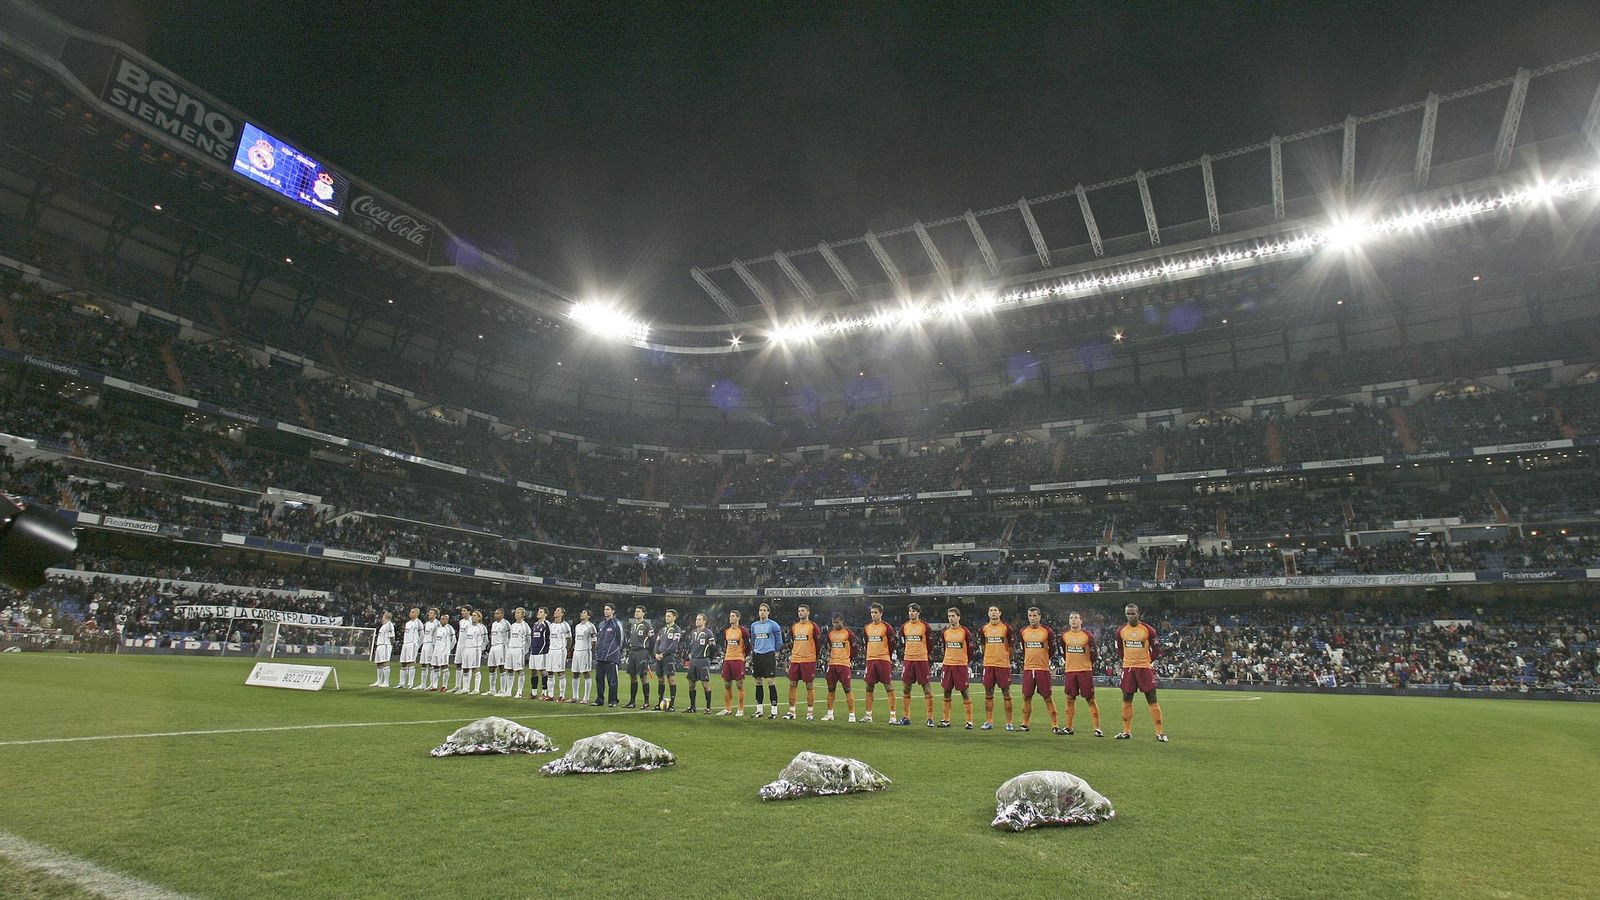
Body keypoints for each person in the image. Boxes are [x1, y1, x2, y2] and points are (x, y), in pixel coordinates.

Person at [1113, 603, 1167, 741]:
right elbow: (1120, 649)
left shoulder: (1148, 630)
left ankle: (1159, 732)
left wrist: (1148, 661)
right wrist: (1127, 661)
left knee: (1152, 698)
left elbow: (1156, 649)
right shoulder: (1121, 631)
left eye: (1132, 613)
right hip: (1129, 668)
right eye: (1128, 614)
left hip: (1144, 668)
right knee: (1126, 698)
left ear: (1138, 613)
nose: (1130, 616)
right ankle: (1126, 731)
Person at [1061, 611, 1103, 737]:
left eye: (1076, 618)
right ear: (1069, 621)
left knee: (1090, 699)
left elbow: (1094, 654)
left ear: (1081, 621)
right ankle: (1068, 727)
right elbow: (1063, 651)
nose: (1073, 620)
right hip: (1070, 671)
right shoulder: (1064, 636)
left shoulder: (1087, 635)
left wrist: (1086, 665)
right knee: (1069, 699)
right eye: (1071, 618)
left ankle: (1097, 728)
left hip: (1084, 671)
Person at [1019, 607, 1060, 733]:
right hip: (1028, 669)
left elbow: (1052, 650)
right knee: (1026, 697)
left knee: (1047, 697)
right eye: (1030, 616)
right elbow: (1023, 649)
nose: (1032, 618)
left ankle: (1055, 725)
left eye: (1034, 615)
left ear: (1040, 616)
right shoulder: (1023, 631)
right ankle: (1025, 724)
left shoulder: (1047, 631)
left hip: (1042, 669)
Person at [897, 603, 936, 727]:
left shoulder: (925, 626)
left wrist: (923, 653)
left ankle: (930, 718)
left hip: (921, 660)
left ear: (919, 613)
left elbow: (931, 643)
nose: (911, 613)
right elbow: (903, 641)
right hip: (908, 660)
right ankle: (906, 717)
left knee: (927, 689)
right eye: (909, 611)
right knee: (906, 688)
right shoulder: (904, 627)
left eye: (914, 611)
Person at [784, 604, 824, 720]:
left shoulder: (813, 626)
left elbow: (818, 643)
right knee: (792, 684)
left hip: (808, 659)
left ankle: (810, 713)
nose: (800, 613)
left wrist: (814, 656)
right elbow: (792, 640)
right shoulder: (794, 627)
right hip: (796, 659)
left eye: (802, 611)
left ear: (808, 612)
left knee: (809, 685)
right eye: (799, 611)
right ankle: (792, 712)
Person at [980, 605, 1016, 731]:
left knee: (1006, 692)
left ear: (1000, 613)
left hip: (1002, 665)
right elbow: (983, 645)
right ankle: (989, 721)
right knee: (988, 692)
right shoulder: (984, 629)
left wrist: (1006, 659)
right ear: (988, 613)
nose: (993, 612)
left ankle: (1009, 722)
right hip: (989, 664)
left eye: (995, 610)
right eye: (991, 610)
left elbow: (1011, 647)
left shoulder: (1007, 628)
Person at [861, 603, 897, 724]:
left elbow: (892, 644)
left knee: (888, 686)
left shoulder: (887, 627)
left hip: (883, 659)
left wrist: (887, 655)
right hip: (871, 660)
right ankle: (868, 715)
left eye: (875, 612)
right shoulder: (867, 628)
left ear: (881, 613)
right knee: (869, 686)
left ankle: (893, 716)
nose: (873, 615)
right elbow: (866, 642)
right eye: (871, 612)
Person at [939, 606, 974, 729]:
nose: (951, 618)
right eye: (949, 616)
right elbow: (945, 648)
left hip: (960, 665)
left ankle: (969, 721)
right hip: (948, 664)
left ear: (958, 617)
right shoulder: (945, 632)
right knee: (946, 692)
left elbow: (971, 649)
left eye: (953, 616)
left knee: (964, 692)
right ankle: (946, 720)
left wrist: (965, 661)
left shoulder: (965, 631)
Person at [748, 603, 784, 719]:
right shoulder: (754, 625)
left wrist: (775, 651)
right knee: (758, 682)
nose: (762, 612)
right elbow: (753, 640)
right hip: (757, 655)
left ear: (768, 612)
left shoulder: (773, 625)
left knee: (770, 681)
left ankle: (774, 711)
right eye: (760, 610)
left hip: (768, 655)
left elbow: (779, 641)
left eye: (764, 610)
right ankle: (759, 710)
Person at [822, 611, 857, 722]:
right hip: (832, 664)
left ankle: (852, 715)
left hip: (844, 664)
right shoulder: (830, 634)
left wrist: (849, 659)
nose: (834, 625)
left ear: (842, 621)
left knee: (847, 689)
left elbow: (855, 647)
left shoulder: (848, 633)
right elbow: (828, 646)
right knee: (831, 689)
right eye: (833, 623)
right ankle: (830, 714)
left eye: (836, 622)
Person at [717, 609, 751, 717]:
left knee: (739, 684)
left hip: (738, 659)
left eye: (733, 616)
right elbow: (726, 644)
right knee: (727, 684)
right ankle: (728, 708)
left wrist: (743, 656)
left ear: (738, 618)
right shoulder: (727, 631)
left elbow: (748, 646)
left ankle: (740, 709)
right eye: (730, 616)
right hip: (728, 659)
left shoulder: (743, 631)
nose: (730, 617)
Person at [684, 612, 718, 713]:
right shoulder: (693, 632)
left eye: (699, 619)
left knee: (705, 684)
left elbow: (713, 648)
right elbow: (691, 646)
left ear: (704, 621)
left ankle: (708, 708)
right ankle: (692, 707)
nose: (697, 621)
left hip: (703, 660)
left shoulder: (708, 633)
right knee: (691, 684)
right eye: (696, 619)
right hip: (693, 660)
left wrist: (709, 658)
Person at [652, 609, 685, 710]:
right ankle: (659, 703)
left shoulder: (676, 629)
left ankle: (672, 704)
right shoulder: (662, 629)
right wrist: (655, 654)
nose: (667, 618)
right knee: (660, 679)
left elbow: (674, 644)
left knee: (671, 679)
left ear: (674, 617)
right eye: (666, 616)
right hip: (659, 657)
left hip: (669, 657)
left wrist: (663, 654)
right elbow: (657, 643)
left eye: (669, 616)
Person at [593, 603, 625, 707]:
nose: (605, 611)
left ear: (613, 611)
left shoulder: (617, 624)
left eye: (608, 609)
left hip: (611, 656)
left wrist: (615, 652)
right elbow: (599, 639)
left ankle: (613, 700)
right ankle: (599, 699)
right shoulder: (601, 624)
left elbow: (621, 640)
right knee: (599, 679)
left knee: (612, 680)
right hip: (600, 656)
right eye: (605, 609)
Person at [624, 606, 656, 709]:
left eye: (638, 611)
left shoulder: (647, 625)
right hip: (633, 652)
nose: (636, 613)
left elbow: (653, 640)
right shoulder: (633, 625)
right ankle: (632, 702)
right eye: (635, 611)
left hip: (642, 652)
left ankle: (646, 702)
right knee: (632, 677)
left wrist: (648, 652)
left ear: (643, 613)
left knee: (643, 677)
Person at [546, 607, 573, 701]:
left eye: (558, 611)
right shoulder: (551, 625)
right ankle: (550, 695)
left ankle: (562, 695)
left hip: (560, 651)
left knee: (560, 672)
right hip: (551, 650)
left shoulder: (565, 625)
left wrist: (566, 649)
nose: (555, 612)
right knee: (550, 672)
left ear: (562, 614)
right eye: (555, 610)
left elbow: (569, 639)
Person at [571, 609, 597, 704]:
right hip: (576, 651)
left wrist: (592, 651)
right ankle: (575, 696)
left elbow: (594, 640)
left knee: (586, 673)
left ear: (589, 616)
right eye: (581, 612)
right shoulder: (577, 626)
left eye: (584, 613)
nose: (582, 614)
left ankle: (586, 698)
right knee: (575, 673)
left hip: (585, 652)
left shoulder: (590, 626)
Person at [458, 611, 487, 694]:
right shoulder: (469, 627)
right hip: (467, 648)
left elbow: (485, 639)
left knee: (475, 668)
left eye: (475, 616)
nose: (473, 617)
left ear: (479, 617)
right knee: (465, 668)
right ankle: (465, 688)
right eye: (472, 616)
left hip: (475, 649)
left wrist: (481, 648)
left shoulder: (481, 627)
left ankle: (476, 689)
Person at [504, 607, 531, 698]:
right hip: (511, 649)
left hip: (519, 649)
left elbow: (528, 640)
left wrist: (525, 650)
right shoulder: (512, 625)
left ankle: (519, 692)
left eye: (519, 612)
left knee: (519, 670)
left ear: (523, 615)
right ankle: (508, 691)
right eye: (516, 612)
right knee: (509, 670)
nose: (516, 614)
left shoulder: (525, 626)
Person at [527, 607, 551, 700]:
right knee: (533, 670)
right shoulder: (535, 624)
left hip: (542, 652)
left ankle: (544, 692)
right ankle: (533, 692)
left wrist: (545, 649)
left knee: (543, 671)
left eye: (541, 612)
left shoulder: (547, 624)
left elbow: (548, 639)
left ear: (545, 614)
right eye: (538, 611)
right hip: (534, 651)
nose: (538, 613)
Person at [485, 608, 508, 696]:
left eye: (497, 613)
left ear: (502, 614)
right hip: (493, 646)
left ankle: (503, 690)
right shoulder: (494, 624)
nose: (495, 615)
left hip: (501, 646)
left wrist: (506, 647)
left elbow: (508, 637)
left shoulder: (505, 624)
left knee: (501, 667)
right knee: (491, 667)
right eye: (495, 613)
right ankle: (492, 689)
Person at [414, 608, 439, 690]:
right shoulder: (427, 623)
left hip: (431, 645)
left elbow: (436, 636)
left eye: (431, 613)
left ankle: (432, 684)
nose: (429, 614)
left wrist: (435, 647)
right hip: (425, 645)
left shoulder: (437, 624)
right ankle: (423, 684)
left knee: (431, 665)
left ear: (435, 615)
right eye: (429, 613)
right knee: (423, 664)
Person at [397, 607, 422, 689]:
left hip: (413, 644)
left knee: (411, 663)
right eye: (410, 611)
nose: (410, 613)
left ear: (417, 614)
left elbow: (422, 635)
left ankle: (410, 683)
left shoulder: (419, 623)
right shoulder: (407, 623)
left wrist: (417, 644)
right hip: (406, 644)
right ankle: (401, 683)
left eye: (412, 612)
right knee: (403, 663)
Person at [431, 613, 455, 693]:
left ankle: (445, 685)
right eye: (441, 619)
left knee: (444, 667)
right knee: (435, 667)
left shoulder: (449, 628)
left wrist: (448, 649)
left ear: (447, 620)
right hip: (436, 650)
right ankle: (434, 686)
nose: (441, 620)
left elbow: (453, 640)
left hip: (444, 651)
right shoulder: (437, 628)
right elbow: (434, 639)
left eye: (443, 619)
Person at [451, 605, 472, 691]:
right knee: (458, 664)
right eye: (462, 611)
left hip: (468, 645)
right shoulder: (461, 622)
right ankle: (457, 686)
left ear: (469, 612)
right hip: (460, 645)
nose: (462, 612)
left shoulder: (472, 621)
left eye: (464, 610)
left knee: (466, 666)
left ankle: (466, 687)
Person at [371, 611, 394, 687]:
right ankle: (379, 681)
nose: (382, 617)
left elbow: (392, 636)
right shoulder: (383, 625)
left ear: (385, 616)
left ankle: (386, 682)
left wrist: (390, 644)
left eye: (383, 616)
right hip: (380, 646)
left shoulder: (389, 624)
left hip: (385, 645)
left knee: (385, 662)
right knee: (379, 663)